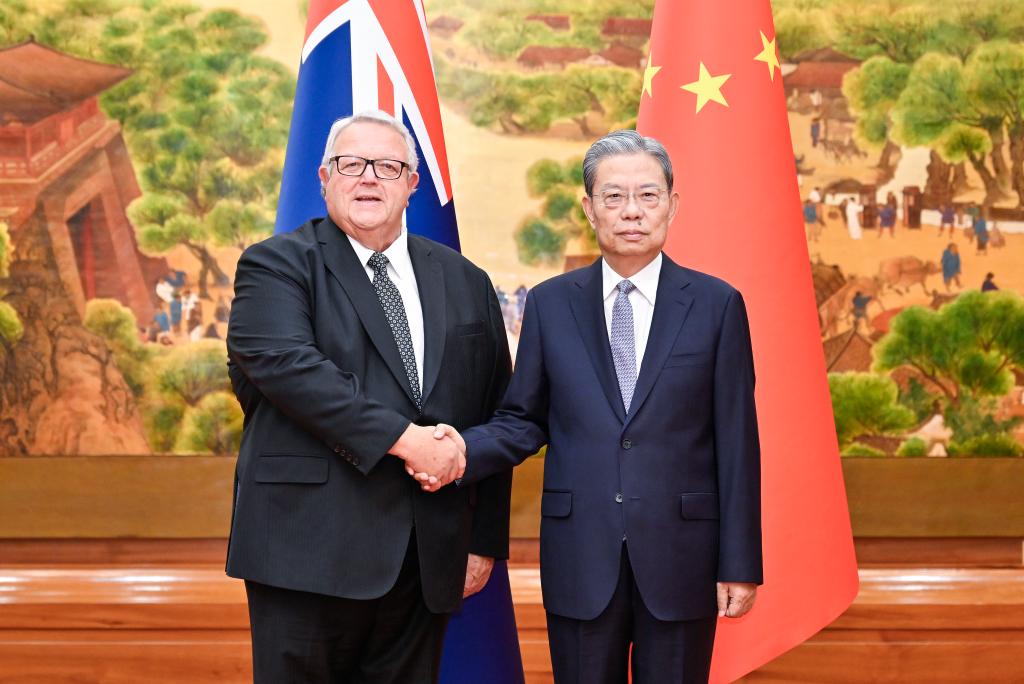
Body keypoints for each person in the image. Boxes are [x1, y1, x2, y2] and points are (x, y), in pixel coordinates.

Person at [424, 131, 762, 683]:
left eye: (648, 196)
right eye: (614, 196)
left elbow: (738, 441)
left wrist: (740, 563)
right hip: (580, 556)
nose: (632, 211)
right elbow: (523, 419)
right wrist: (460, 448)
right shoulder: (551, 303)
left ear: (673, 205)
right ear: (589, 208)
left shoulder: (716, 304)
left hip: (683, 558)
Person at [225, 110, 513, 684]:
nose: (368, 178)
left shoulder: (466, 280)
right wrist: (410, 443)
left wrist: (482, 541)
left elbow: (496, 412)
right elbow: (293, 371)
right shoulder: (276, 265)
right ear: (324, 177)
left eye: (387, 166)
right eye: (351, 164)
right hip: (306, 552)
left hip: (425, 559)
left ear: (412, 184)